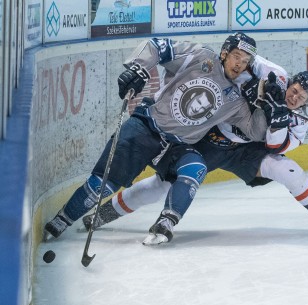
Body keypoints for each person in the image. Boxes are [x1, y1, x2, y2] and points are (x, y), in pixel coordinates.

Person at [81, 67, 308, 245]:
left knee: (287, 170)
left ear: (307, 103)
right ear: (289, 82)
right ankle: (104, 213)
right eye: (294, 90)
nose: (295, 97)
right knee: (161, 185)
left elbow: (276, 147)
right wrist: (255, 85)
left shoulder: (298, 123)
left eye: (302, 97)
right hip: (210, 138)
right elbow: (248, 59)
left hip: (246, 152)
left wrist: (279, 122)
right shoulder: (274, 77)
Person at [44, 32, 269, 239]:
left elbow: (255, 132)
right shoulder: (201, 56)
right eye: (237, 56)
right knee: (105, 183)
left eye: (246, 60)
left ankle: (165, 223)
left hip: (176, 147)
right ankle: (63, 219)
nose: (240, 64)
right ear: (224, 53)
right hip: (148, 127)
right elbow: (157, 45)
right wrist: (138, 68)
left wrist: (265, 106)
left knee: (195, 169)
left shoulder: (236, 102)